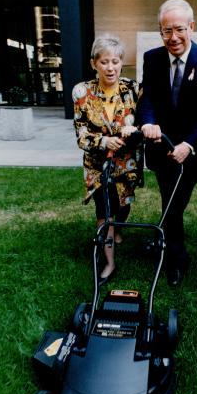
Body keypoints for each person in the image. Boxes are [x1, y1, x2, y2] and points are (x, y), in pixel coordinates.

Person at [137, 0, 197, 286]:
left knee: (173, 206)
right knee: (169, 202)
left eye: (178, 29)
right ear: (159, 31)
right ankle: (172, 253)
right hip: (161, 150)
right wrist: (147, 122)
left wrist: (188, 144)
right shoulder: (152, 58)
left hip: (193, 151)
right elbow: (147, 97)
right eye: (165, 31)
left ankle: (175, 257)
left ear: (192, 27)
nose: (172, 37)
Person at [72, 34, 143, 285]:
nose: (110, 67)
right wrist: (103, 141)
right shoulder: (82, 92)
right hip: (97, 165)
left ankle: (118, 230)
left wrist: (133, 131)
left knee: (123, 206)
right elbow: (81, 134)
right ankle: (109, 262)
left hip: (126, 165)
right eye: (104, 62)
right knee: (105, 212)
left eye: (115, 61)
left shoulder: (134, 89)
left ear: (121, 62)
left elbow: (144, 123)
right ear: (94, 64)